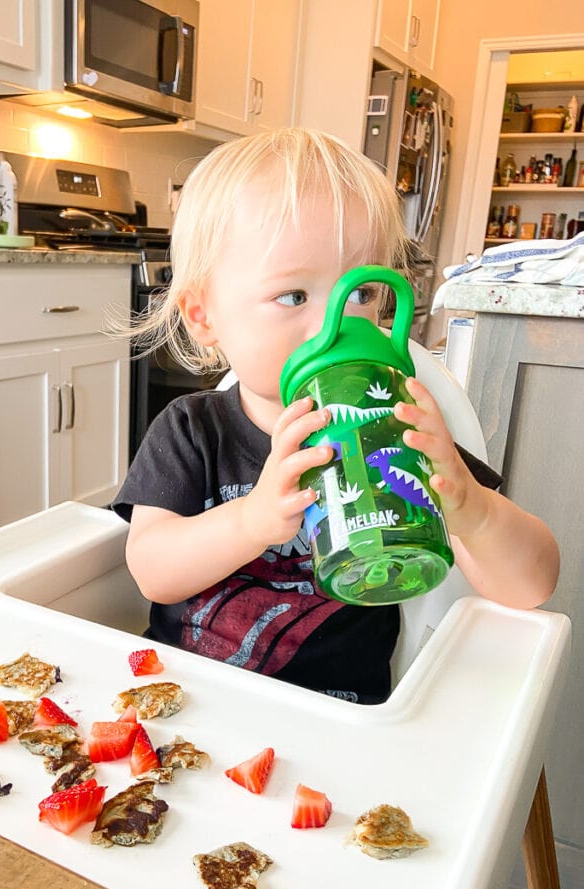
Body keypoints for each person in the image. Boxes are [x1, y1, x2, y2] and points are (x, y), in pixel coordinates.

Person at [112, 127, 559, 704]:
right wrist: (252, 522)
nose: (337, 328)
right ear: (204, 317)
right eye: (294, 296)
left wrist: (469, 507)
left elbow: (532, 587)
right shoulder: (192, 429)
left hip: (339, 721)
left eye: (361, 294)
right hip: (186, 702)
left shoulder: (395, 426)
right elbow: (151, 569)